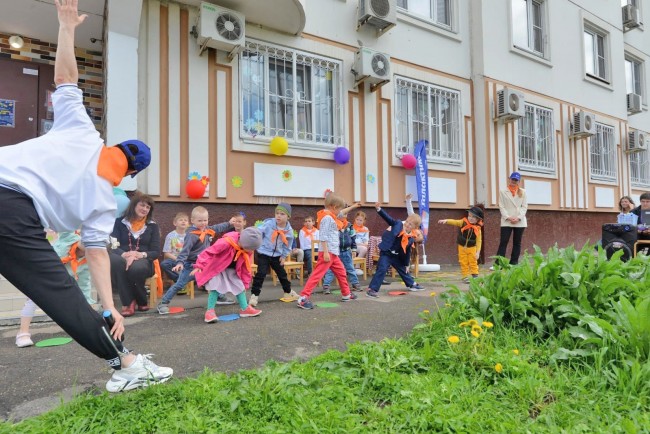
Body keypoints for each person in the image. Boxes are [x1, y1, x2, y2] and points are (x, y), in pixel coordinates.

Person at [0, 0, 172, 392]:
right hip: (12, 210)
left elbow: (65, 79)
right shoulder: (105, 202)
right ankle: (126, 364)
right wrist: (110, 307)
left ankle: (126, 364)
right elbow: (96, 254)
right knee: (62, 296)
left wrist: (66, 27)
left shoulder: (81, 130)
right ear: (132, 173)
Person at [16, 230, 95, 348]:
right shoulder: (69, 238)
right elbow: (64, 226)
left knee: (76, 298)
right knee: (32, 299)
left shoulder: (87, 261)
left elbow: (84, 284)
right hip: (41, 272)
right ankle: (22, 333)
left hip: (60, 281)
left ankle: (83, 329)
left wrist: (89, 305)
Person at [157, 206, 234, 313]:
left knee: (212, 280)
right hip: (190, 266)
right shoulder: (191, 235)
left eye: (205, 220)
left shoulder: (207, 229)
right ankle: (163, 303)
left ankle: (220, 297)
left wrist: (229, 223)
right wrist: (180, 262)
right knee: (179, 284)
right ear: (192, 221)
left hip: (204, 264)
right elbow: (185, 250)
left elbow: (217, 227)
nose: (203, 223)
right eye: (200, 220)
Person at [297, 193, 359, 309]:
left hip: (333, 253)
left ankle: (346, 294)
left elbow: (342, 213)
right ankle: (303, 298)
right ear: (334, 207)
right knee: (317, 275)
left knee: (341, 272)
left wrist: (354, 206)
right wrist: (325, 252)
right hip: (327, 253)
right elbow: (323, 236)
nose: (341, 212)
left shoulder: (331, 216)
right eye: (340, 208)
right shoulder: (327, 218)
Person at [193, 227, 264, 323]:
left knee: (240, 286)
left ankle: (245, 309)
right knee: (215, 287)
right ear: (243, 242)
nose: (251, 251)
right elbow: (209, 252)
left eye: (253, 249)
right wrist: (199, 265)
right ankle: (210, 311)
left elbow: (246, 267)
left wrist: (245, 282)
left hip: (232, 270)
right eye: (250, 249)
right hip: (217, 268)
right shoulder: (225, 242)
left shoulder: (248, 250)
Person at [109, 193, 160, 316]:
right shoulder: (119, 222)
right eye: (142, 205)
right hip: (122, 256)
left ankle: (140, 299)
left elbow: (155, 252)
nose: (144, 209)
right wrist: (126, 255)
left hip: (143, 259)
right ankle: (129, 302)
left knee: (135, 268)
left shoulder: (152, 226)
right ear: (133, 206)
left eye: (148, 207)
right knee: (115, 262)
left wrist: (138, 254)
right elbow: (113, 245)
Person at [365, 203, 425, 298]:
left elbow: (407, 251)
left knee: (403, 270)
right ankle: (372, 289)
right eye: (407, 222)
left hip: (396, 255)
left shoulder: (411, 238)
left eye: (410, 224)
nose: (407, 225)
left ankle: (412, 284)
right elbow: (388, 219)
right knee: (382, 269)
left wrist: (406, 264)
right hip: (386, 252)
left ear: (415, 227)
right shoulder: (398, 224)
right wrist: (379, 209)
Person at [249, 203, 301, 306]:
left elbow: (288, 244)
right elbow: (259, 232)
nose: (278, 216)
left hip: (277, 255)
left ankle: (288, 292)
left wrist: (283, 256)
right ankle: (254, 296)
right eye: (277, 213)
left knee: (282, 275)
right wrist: (253, 237)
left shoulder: (289, 231)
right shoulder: (269, 224)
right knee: (261, 274)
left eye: (282, 214)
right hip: (264, 253)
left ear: (288, 217)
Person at [322, 205, 363, 294]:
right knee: (330, 269)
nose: (343, 216)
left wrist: (354, 249)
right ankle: (326, 285)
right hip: (335, 251)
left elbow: (353, 238)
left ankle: (355, 284)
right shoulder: (334, 225)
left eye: (345, 214)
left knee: (350, 268)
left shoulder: (349, 226)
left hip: (347, 251)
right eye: (342, 214)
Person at [438, 206, 484, 283]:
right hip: (462, 247)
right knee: (463, 262)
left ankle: (475, 275)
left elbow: (479, 241)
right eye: (469, 216)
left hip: (472, 247)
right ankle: (465, 276)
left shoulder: (478, 229)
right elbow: (455, 222)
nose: (470, 218)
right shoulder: (463, 222)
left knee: (473, 261)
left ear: (478, 219)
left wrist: (478, 252)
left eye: (473, 217)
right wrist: (446, 221)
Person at [495, 171, 528, 267]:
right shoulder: (502, 191)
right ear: (509, 179)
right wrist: (508, 217)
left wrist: (518, 218)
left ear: (519, 181)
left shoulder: (523, 192)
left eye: (516, 180)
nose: (514, 181)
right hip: (506, 221)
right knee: (503, 242)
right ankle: (498, 264)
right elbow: (501, 206)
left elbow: (524, 207)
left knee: (517, 242)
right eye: (512, 179)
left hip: (519, 221)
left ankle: (514, 263)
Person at [160, 212, 189, 282]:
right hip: (174, 260)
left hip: (187, 260)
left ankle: (197, 282)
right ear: (175, 223)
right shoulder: (170, 236)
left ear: (188, 223)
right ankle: (179, 279)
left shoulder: (190, 236)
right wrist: (178, 259)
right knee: (164, 264)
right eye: (181, 220)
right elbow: (166, 253)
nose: (183, 221)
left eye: (185, 220)